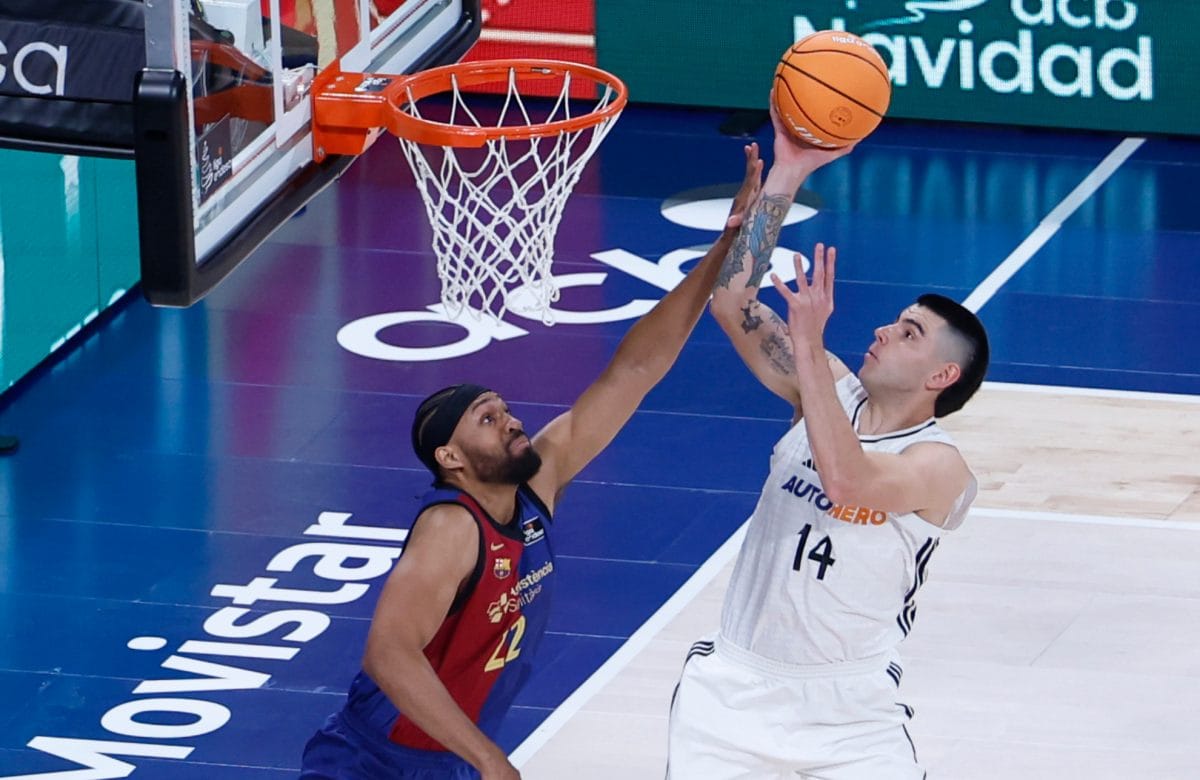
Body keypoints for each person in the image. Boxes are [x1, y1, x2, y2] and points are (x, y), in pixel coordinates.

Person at [300, 140, 856, 780]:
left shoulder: (536, 483)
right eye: (486, 418)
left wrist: (723, 252)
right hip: (377, 762)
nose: (509, 419)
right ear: (450, 456)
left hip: (448, 760)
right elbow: (389, 654)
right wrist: (489, 759)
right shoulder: (452, 528)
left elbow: (636, 369)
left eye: (503, 408)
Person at [666, 105, 990, 779]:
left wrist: (810, 345)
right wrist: (789, 168)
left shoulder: (938, 466)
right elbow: (732, 303)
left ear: (941, 376)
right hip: (733, 691)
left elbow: (848, 482)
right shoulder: (827, 387)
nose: (882, 332)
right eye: (894, 321)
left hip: (850, 713)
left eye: (909, 334)